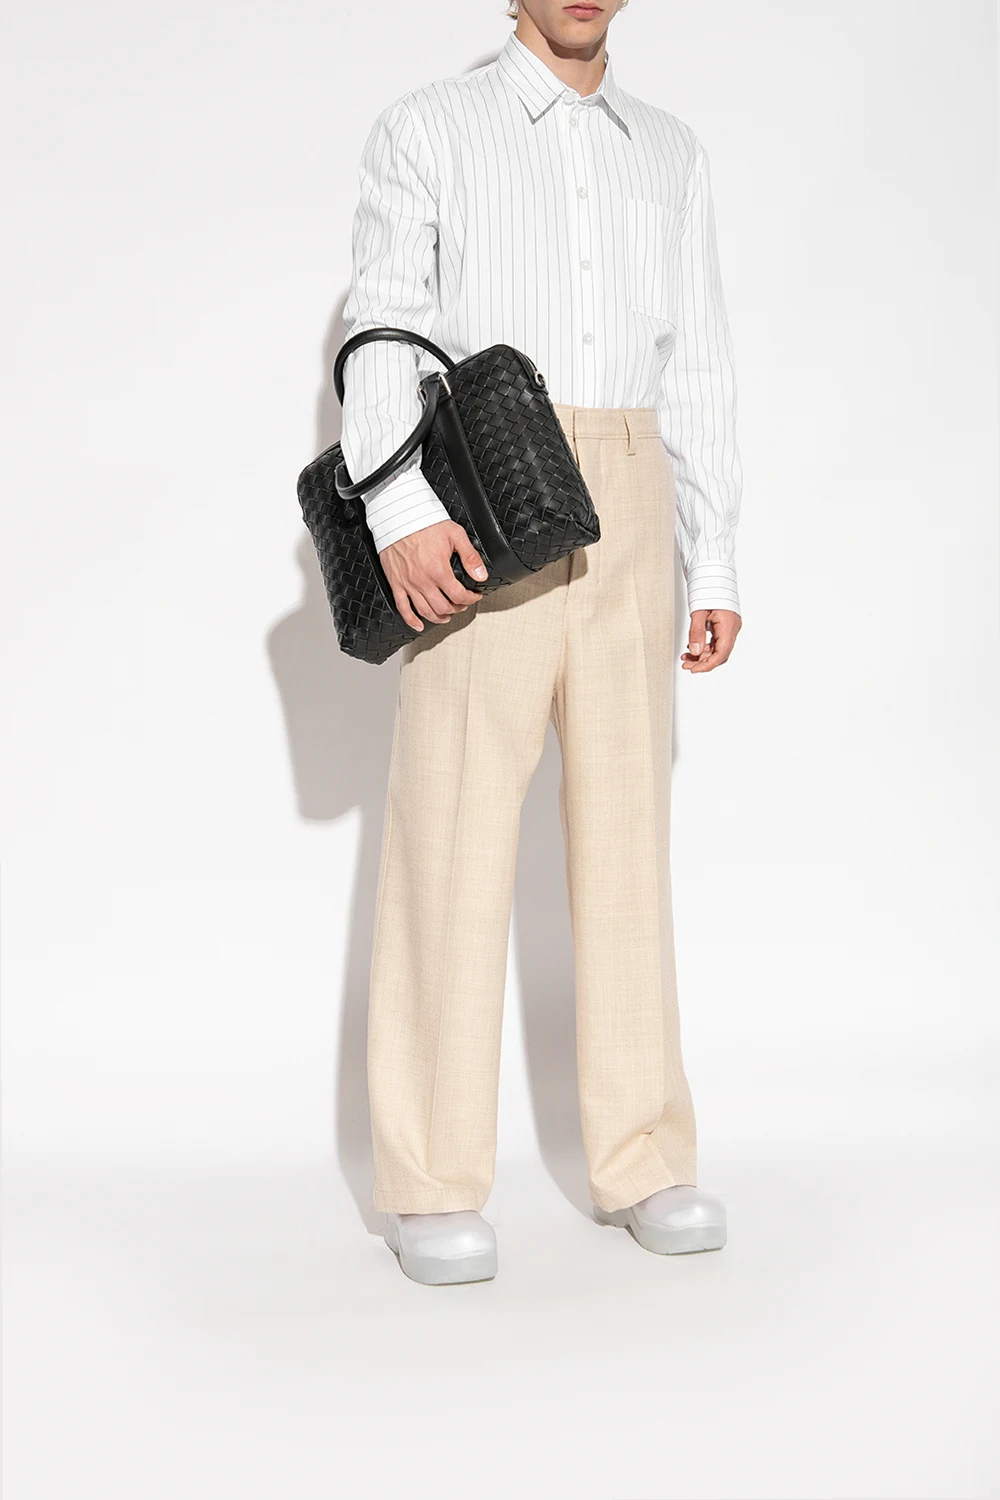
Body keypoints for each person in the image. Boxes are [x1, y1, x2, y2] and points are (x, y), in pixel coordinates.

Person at [338, 0, 743, 1285]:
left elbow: (697, 364)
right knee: (450, 832)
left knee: (628, 841)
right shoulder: (429, 127)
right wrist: (399, 508)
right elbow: (380, 322)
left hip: (629, 479)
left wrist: (711, 553)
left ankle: (644, 1154)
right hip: (485, 487)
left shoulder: (668, 149)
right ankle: (427, 1180)